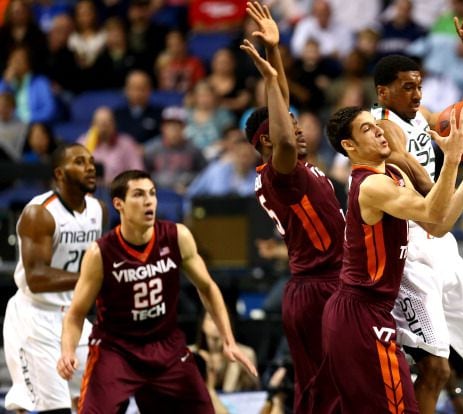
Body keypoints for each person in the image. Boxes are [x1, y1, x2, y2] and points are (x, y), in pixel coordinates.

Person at [371, 14, 463, 414]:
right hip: (408, 257)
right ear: (383, 93)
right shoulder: (382, 129)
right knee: (435, 370)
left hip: (441, 245)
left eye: (419, 85)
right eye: (407, 87)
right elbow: (427, 191)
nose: (417, 93)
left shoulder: (417, 117)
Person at [323, 104, 463, 414]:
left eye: (374, 124)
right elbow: (432, 211)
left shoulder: (392, 172)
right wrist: (452, 158)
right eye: (366, 129)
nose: (378, 130)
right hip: (359, 312)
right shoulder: (372, 184)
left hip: (371, 310)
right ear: (349, 146)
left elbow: (436, 224)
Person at [57, 170, 258, 413]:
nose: (149, 201)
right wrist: (67, 351)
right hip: (117, 349)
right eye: (139, 195)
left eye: (152, 194)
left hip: (165, 346)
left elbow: (208, 287)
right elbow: (76, 313)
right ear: (119, 203)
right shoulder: (100, 253)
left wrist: (229, 340)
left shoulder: (177, 236)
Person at [241, 3, 344, 411]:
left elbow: (281, 102)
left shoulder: (297, 167)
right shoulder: (278, 173)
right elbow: (282, 132)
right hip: (316, 288)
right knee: (321, 391)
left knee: (340, 384)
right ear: (267, 141)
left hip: (334, 282)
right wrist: (268, 80)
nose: (299, 131)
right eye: (291, 126)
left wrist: (275, 52)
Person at [2, 143, 103, 413]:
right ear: (59, 173)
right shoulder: (40, 213)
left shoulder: (96, 209)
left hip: (73, 316)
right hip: (35, 318)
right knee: (51, 409)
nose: (90, 167)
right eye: (79, 162)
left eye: (91, 161)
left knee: (104, 396)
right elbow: (36, 277)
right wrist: (90, 277)